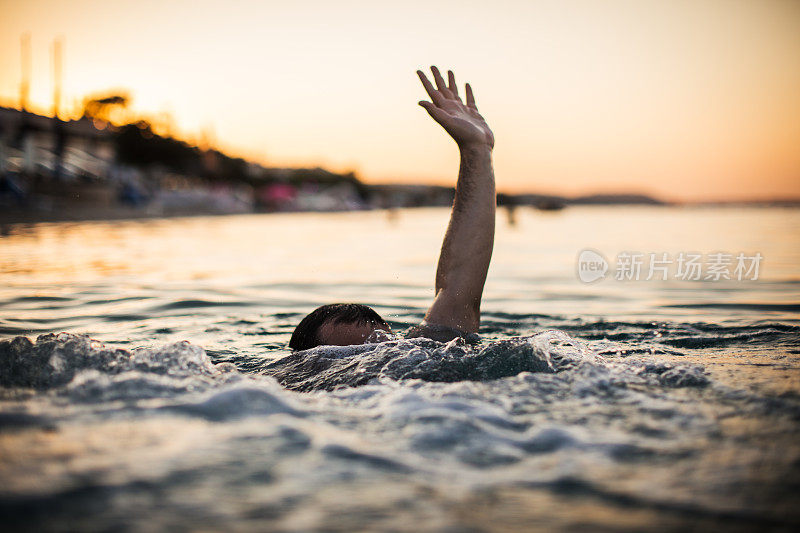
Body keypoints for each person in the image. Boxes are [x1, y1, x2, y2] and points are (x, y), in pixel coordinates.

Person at [289, 66, 495, 351]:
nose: (374, 357)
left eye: (383, 347)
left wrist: (477, 150)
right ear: (306, 363)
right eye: (352, 354)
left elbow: (459, 291)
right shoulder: (282, 381)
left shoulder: (414, 356)